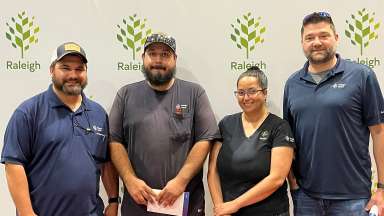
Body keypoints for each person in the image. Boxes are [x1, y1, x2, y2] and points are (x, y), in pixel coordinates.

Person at [1, 42, 119, 216]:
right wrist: (27, 214)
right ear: (51, 70)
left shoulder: (98, 113)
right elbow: (14, 164)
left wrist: (113, 200)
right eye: (65, 68)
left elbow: (106, 162)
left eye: (79, 69)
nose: (73, 75)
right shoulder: (28, 112)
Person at [283, 12, 384, 215]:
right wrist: (293, 183)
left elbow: (379, 132)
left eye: (324, 35)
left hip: (353, 198)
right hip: (306, 197)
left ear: (336, 38)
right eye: (310, 38)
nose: (317, 42)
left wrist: (382, 188)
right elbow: (288, 140)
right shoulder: (292, 83)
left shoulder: (362, 76)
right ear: (302, 43)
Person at [109, 32, 220, 216]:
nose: (158, 60)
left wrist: (181, 181)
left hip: (185, 204)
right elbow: (114, 141)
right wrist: (129, 180)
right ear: (143, 57)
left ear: (175, 59)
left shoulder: (195, 93)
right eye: (152, 53)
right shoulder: (126, 95)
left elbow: (205, 139)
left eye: (165, 54)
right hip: (137, 205)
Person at [208, 66, 295, 216]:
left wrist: (235, 204)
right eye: (241, 93)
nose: (246, 97)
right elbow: (212, 171)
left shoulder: (280, 127)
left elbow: (277, 178)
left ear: (265, 93)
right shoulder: (226, 124)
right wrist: (220, 207)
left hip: (269, 212)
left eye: (252, 91)